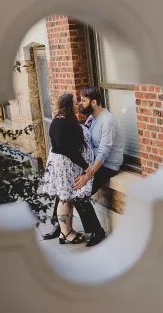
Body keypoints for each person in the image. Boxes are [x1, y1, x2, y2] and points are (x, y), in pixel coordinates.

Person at [42, 87, 124, 247]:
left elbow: (104, 151)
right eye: (78, 101)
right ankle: (61, 227)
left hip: (106, 165)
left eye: (83, 101)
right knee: (65, 189)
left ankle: (97, 231)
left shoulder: (107, 121)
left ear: (93, 102)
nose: (80, 104)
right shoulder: (92, 118)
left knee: (78, 193)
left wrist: (88, 173)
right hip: (92, 164)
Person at [41, 93, 94, 245]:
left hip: (63, 164)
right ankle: (65, 233)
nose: (79, 104)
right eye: (76, 103)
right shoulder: (63, 123)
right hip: (63, 165)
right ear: (69, 106)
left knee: (66, 198)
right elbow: (68, 149)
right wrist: (86, 166)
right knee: (64, 199)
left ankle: (66, 231)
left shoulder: (61, 121)